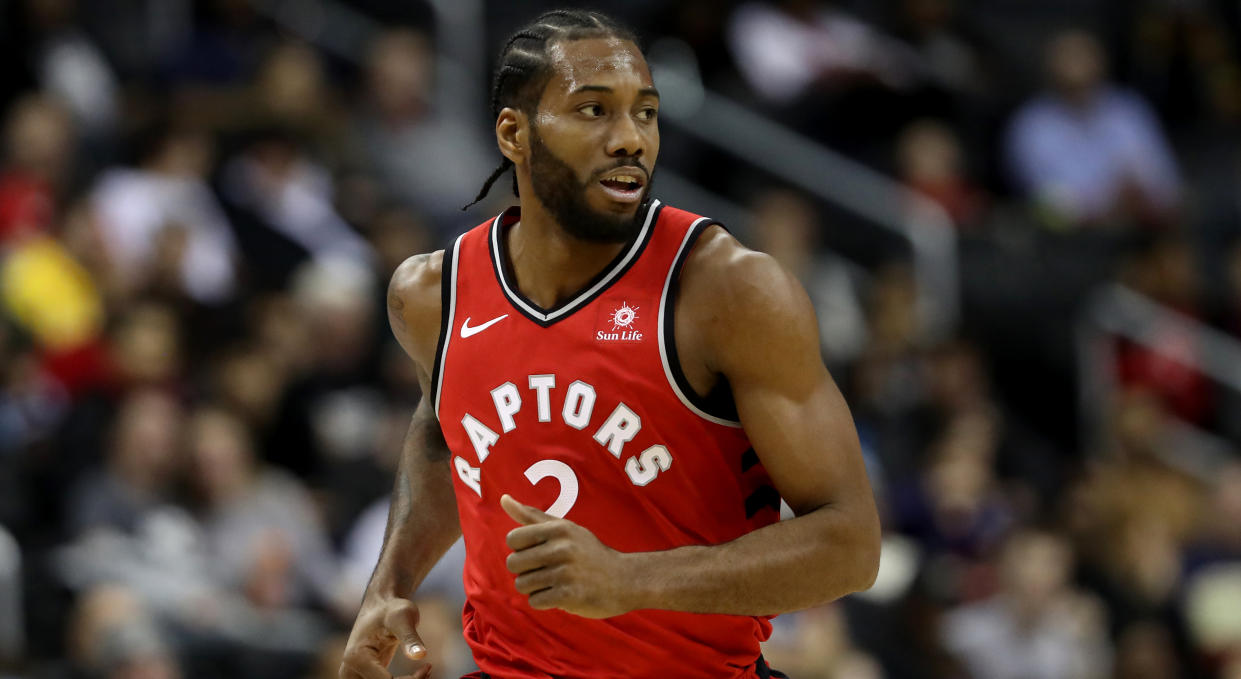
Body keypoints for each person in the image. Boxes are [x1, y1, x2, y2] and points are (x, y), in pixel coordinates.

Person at [339, 9, 880, 679]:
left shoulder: (726, 291)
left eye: (645, 113)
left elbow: (850, 546)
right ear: (514, 133)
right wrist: (388, 583)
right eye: (593, 111)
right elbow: (443, 429)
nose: (630, 138)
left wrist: (627, 580)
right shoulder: (431, 294)